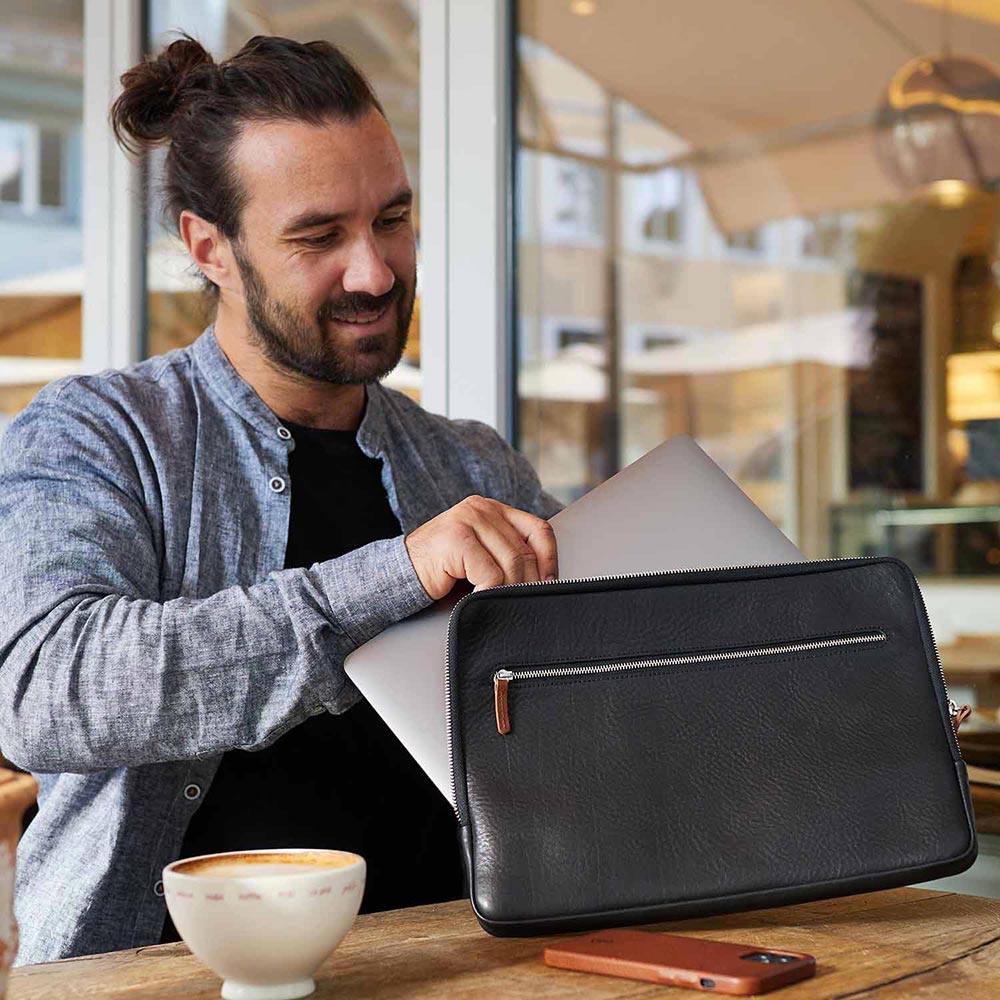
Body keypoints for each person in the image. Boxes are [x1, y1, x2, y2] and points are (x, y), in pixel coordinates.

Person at [0, 34, 561, 965]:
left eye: (392, 219)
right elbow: (45, 694)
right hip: (157, 980)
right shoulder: (95, 434)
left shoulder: (474, 467)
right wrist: (399, 573)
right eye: (318, 236)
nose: (376, 272)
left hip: (463, 965)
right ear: (207, 246)